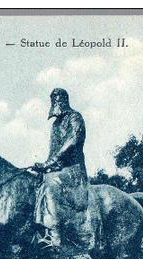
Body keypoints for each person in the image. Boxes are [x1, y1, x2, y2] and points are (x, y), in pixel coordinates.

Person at [32, 88, 94, 250]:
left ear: (64, 100)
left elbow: (73, 141)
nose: (55, 103)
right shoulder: (55, 124)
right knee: (37, 182)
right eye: (53, 100)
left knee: (50, 185)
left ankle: (55, 235)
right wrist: (44, 166)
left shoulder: (75, 117)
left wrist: (50, 163)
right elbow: (53, 151)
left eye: (57, 99)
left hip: (73, 170)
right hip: (58, 169)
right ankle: (40, 230)